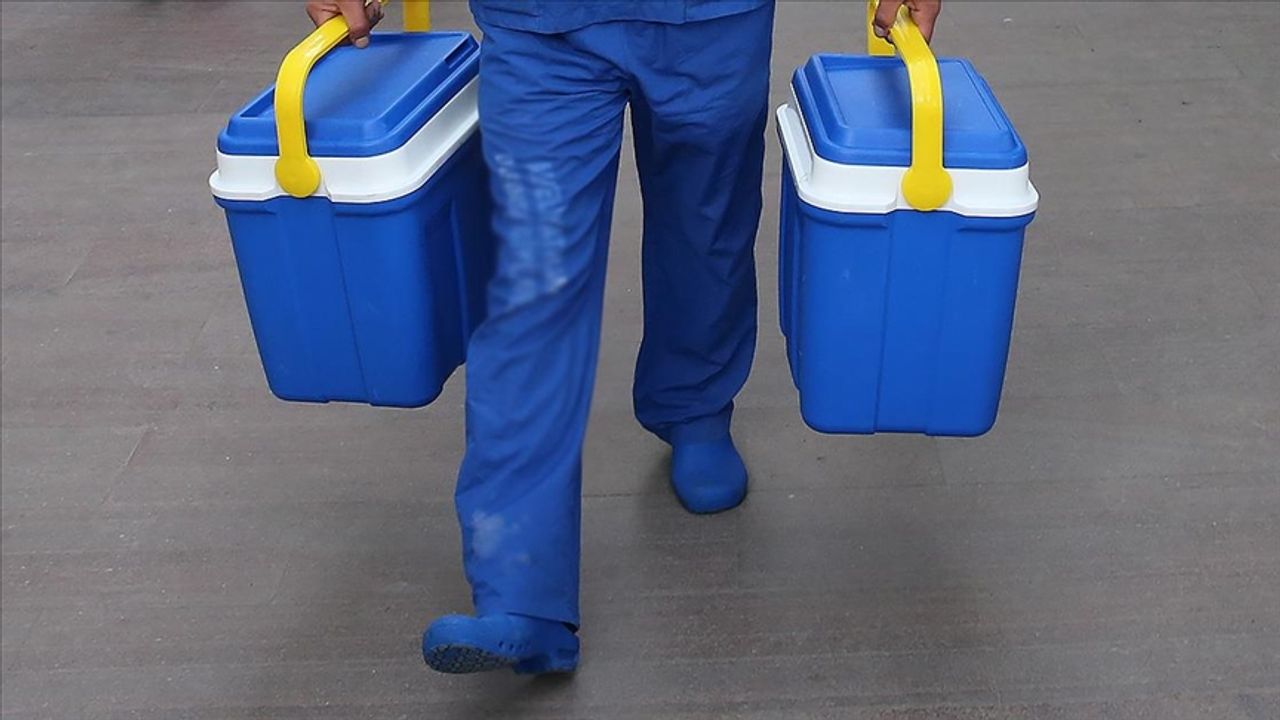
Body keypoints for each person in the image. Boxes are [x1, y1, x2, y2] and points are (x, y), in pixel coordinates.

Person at [305, 0, 941, 675]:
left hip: (714, 21)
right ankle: (520, 591)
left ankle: (695, 404)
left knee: (706, 232)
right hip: (540, 25)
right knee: (533, 275)